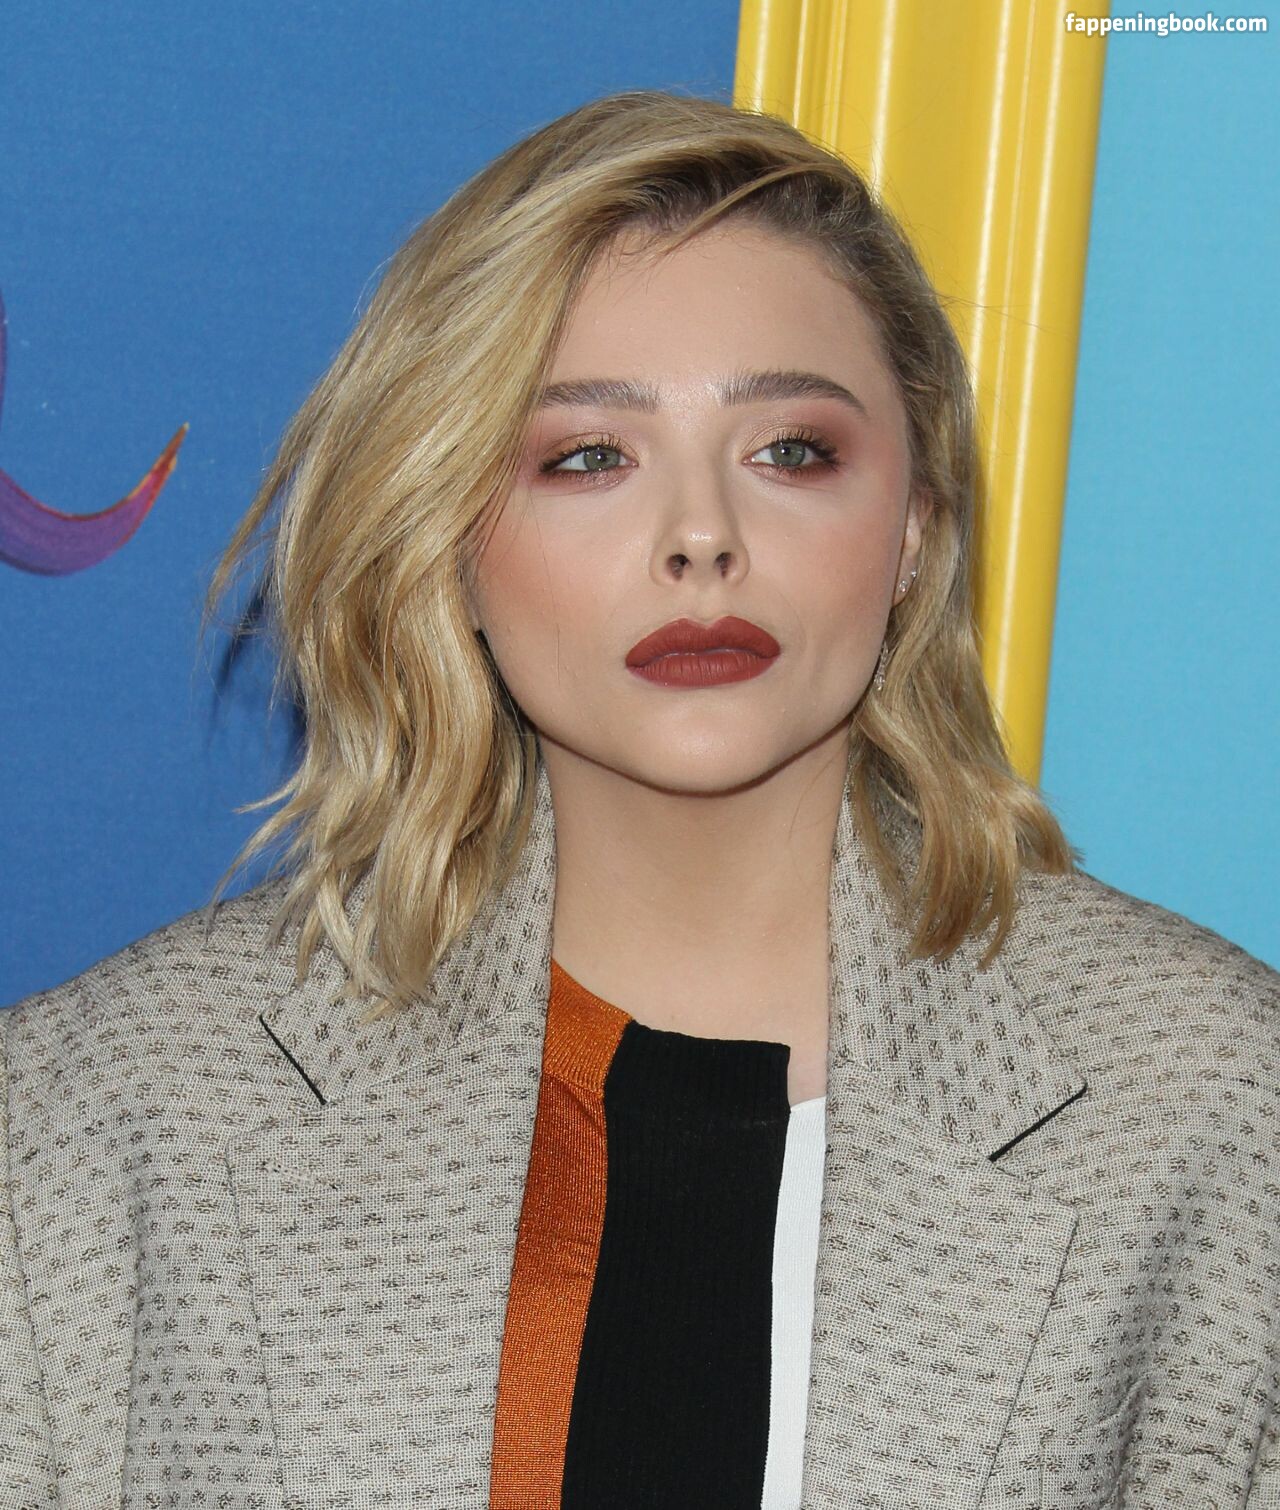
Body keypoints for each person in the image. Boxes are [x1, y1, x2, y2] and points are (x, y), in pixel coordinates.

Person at [2, 88, 1276, 1510]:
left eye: (792, 450)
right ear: (447, 536)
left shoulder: (1214, 1106)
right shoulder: (93, 1114)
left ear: (915, 522)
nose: (701, 539)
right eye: (588, 457)